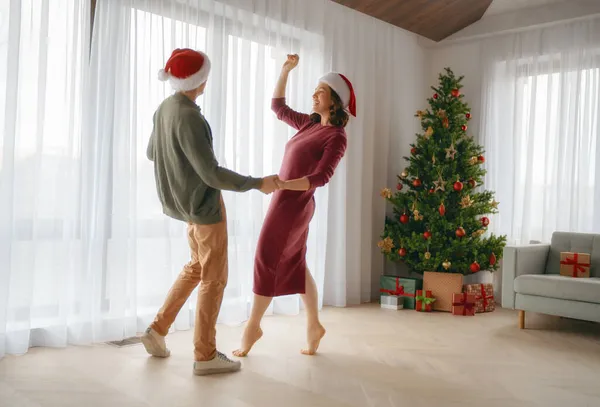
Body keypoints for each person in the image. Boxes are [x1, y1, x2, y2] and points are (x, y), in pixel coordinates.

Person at [142, 48, 279, 376]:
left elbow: (152, 153)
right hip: (204, 207)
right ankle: (204, 355)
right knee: (214, 279)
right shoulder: (190, 116)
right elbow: (211, 174)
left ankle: (157, 329)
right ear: (198, 80)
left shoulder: (165, 109)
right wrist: (257, 183)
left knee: (196, 268)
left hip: (186, 207)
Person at [233, 54, 356, 357]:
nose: (314, 95)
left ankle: (253, 325)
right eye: (314, 90)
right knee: (296, 264)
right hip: (283, 199)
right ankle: (314, 326)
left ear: (335, 101)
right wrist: (285, 71)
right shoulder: (309, 124)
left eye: (321, 91)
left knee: (265, 256)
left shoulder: (336, 136)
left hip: (294, 203)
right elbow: (278, 107)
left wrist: (285, 185)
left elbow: (320, 177)